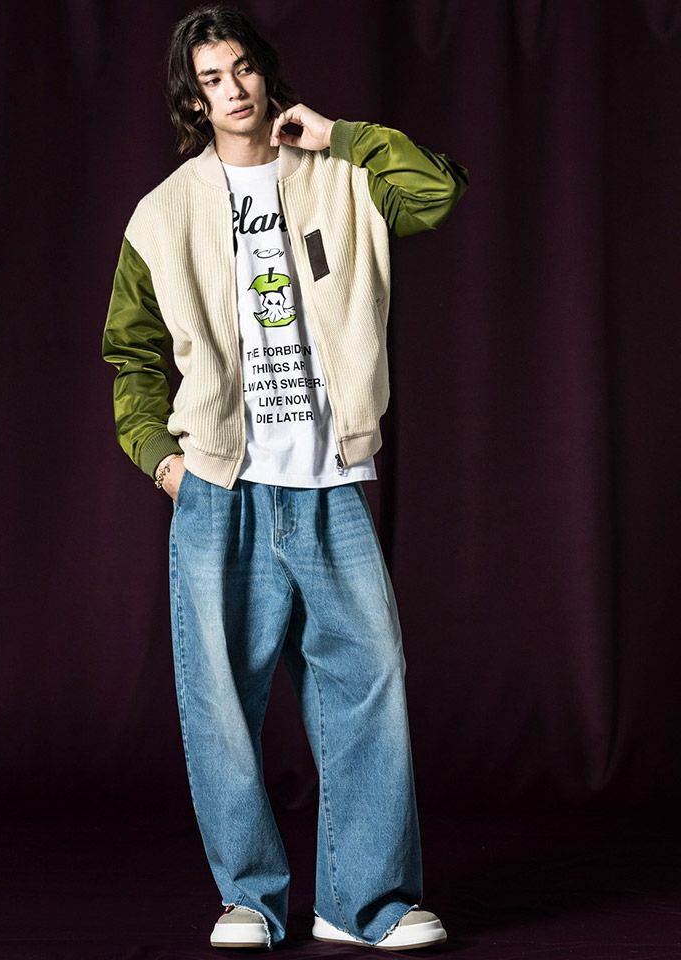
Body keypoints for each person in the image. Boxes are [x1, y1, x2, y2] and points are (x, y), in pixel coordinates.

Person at [102, 4, 468, 951]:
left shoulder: (341, 174)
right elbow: (130, 355)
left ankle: (364, 904)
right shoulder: (163, 213)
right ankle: (249, 899)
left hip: (330, 481)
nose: (232, 91)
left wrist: (341, 135)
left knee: (369, 684)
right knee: (221, 702)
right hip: (219, 489)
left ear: (266, 72)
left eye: (241, 69)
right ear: (192, 100)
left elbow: (435, 194)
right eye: (210, 80)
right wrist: (163, 460)